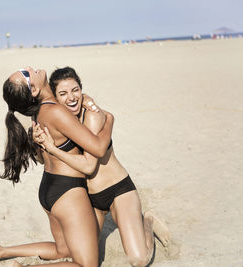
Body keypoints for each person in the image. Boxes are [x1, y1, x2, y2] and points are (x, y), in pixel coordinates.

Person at [0, 66, 114, 267]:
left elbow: (42, 156)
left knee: (62, 250)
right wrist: (109, 120)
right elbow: (98, 149)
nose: (30, 68)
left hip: (49, 188)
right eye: (25, 73)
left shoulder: (40, 111)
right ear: (33, 90)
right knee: (87, 265)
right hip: (69, 192)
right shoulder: (55, 111)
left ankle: (1, 251)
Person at [33, 67, 170, 267]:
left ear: (82, 89)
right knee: (84, 260)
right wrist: (39, 146)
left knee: (138, 259)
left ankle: (147, 220)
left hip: (118, 190)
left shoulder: (93, 116)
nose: (72, 97)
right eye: (63, 93)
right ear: (55, 98)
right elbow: (44, 161)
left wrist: (53, 149)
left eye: (76, 90)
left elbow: (89, 165)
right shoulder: (58, 121)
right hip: (90, 201)